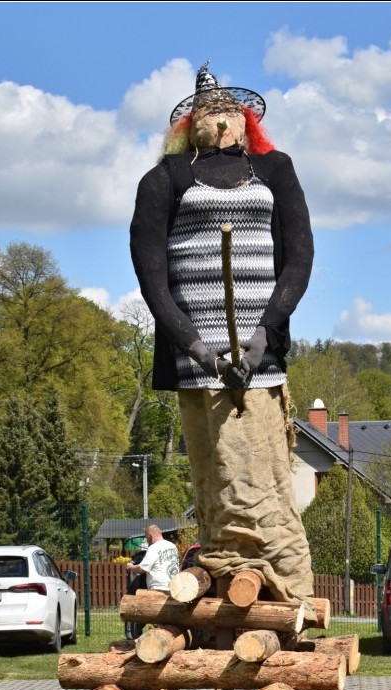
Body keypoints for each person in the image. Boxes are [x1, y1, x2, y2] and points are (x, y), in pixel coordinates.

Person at [130, 62, 314, 607]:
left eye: (229, 111)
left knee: (266, 477)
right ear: (188, 125)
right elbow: (152, 276)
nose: (220, 119)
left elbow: (299, 257)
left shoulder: (275, 170)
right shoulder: (165, 179)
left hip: (261, 361)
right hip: (199, 365)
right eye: (207, 111)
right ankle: (230, 564)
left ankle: (283, 585)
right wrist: (196, 347)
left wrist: (263, 336)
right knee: (221, 476)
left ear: (245, 121)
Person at [126, 525, 180, 591]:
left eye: (147, 537)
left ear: (151, 537)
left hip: (159, 588)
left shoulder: (153, 548)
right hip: (174, 588)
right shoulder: (172, 546)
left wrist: (131, 567)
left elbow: (142, 569)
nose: (147, 541)